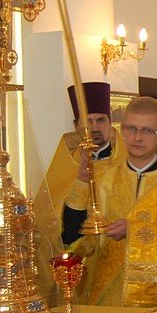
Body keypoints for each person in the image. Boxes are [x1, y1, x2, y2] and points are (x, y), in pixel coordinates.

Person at [62, 95, 157, 307]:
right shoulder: (103, 182)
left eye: (147, 130)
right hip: (108, 303)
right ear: (121, 130)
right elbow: (73, 239)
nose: (137, 138)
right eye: (131, 128)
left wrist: (134, 231)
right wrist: (82, 182)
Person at [42, 82, 126, 256]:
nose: (95, 128)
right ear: (76, 125)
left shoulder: (126, 163)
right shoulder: (65, 165)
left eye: (101, 120)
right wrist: (80, 182)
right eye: (88, 121)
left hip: (116, 257)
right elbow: (51, 224)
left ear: (110, 122)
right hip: (77, 262)